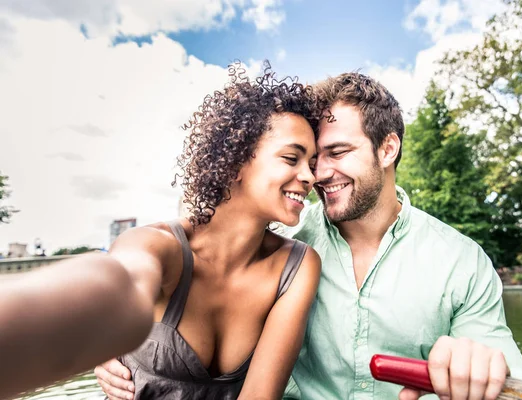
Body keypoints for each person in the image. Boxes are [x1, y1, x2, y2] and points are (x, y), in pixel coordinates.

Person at [96, 72, 522, 400]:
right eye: (307, 157)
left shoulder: (460, 261)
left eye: (337, 153)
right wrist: (105, 335)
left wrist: (483, 369)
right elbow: (193, 242)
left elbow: (518, 383)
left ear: (388, 149)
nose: (317, 174)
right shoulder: (287, 237)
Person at [0, 63, 322, 400]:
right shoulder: (156, 246)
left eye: (311, 163)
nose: (309, 176)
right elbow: (118, 285)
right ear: (235, 163)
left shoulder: (298, 266)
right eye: (291, 158)